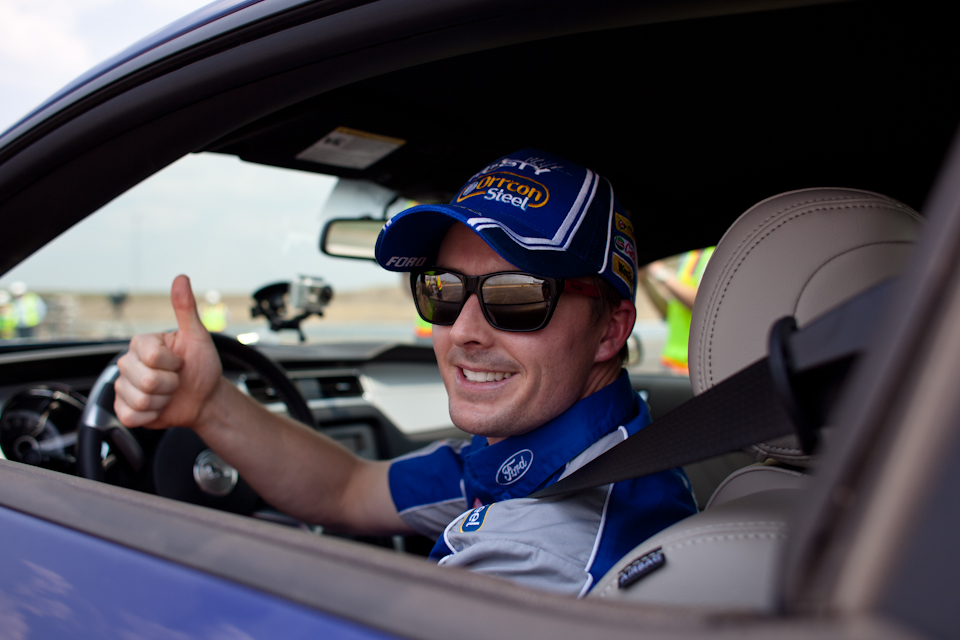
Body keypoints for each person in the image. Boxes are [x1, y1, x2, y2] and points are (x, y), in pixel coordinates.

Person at [113, 149, 696, 597]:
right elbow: (347, 489)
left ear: (610, 330)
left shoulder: (539, 555)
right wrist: (211, 404)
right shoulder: (559, 456)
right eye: (442, 290)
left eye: (518, 295)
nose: (463, 330)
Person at [640, 248, 714, 375]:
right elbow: (669, 311)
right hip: (671, 362)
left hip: (693, 365)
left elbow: (703, 304)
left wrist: (661, 273)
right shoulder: (689, 256)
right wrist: (645, 281)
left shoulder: (715, 253)